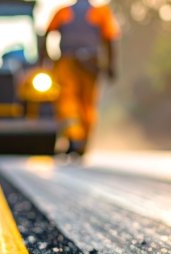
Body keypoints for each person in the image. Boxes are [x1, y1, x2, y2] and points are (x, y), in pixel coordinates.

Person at [44, 0, 119, 156]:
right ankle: (80, 141)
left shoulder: (63, 12)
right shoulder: (100, 13)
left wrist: (44, 59)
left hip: (69, 62)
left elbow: (46, 34)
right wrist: (111, 65)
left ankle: (75, 138)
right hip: (90, 63)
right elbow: (110, 40)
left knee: (68, 100)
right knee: (87, 104)